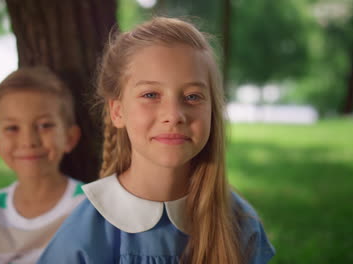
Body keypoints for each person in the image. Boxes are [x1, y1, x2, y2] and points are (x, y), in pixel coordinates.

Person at [38, 17, 275, 264]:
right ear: (117, 111)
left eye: (193, 96)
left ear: (212, 111)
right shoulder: (86, 232)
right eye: (151, 94)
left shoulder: (239, 223)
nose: (173, 115)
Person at [0, 67, 84, 264]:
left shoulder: (90, 208)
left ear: (70, 138)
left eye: (45, 125)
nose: (28, 141)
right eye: (12, 128)